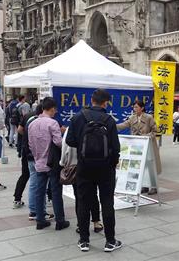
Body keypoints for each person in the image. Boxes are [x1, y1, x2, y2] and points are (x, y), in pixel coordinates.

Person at [66, 89, 122, 252]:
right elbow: (116, 147)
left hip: (84, 167)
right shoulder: (109, 120)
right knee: (107, 203)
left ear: (92, 100)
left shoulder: (77, 118)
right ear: (106, 103)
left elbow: (70, 140)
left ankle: (84, 240)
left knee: (84, 202)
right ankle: (110, 241)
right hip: (106, 169)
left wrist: (84, 147)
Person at [28, 97, 69, 231]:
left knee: (40, 192)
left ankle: (40, 220)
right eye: (55, 110)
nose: (55, 112)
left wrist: (37, 156)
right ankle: (60, 221)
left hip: (38, 162)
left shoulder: (32, 124)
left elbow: (30, 144)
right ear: (52, 109)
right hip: (52, 163)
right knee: (56, 192)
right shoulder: (52, 123)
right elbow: (58, 142)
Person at [60, 126, 103, 235]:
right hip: (93, 165)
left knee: (80, 197)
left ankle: (81, 224)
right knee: (93, 194)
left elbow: (65, 147)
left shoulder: (72, 128)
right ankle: (96, 222)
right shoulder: (96, 126)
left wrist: (63, 163)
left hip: (76, 167)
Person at [117, 100, 161, 195]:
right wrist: (113, 126)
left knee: (150, 167)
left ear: (142, 108)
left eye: (136, 107)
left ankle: (153, 187)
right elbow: (124, 125)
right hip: (137, 146)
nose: (134, 109)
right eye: (134, 107)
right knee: (140, 166)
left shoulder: (149, 117)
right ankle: (144, 186)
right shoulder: (132, 117)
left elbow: (155, 131)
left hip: (148, 145)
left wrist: (146, 136)